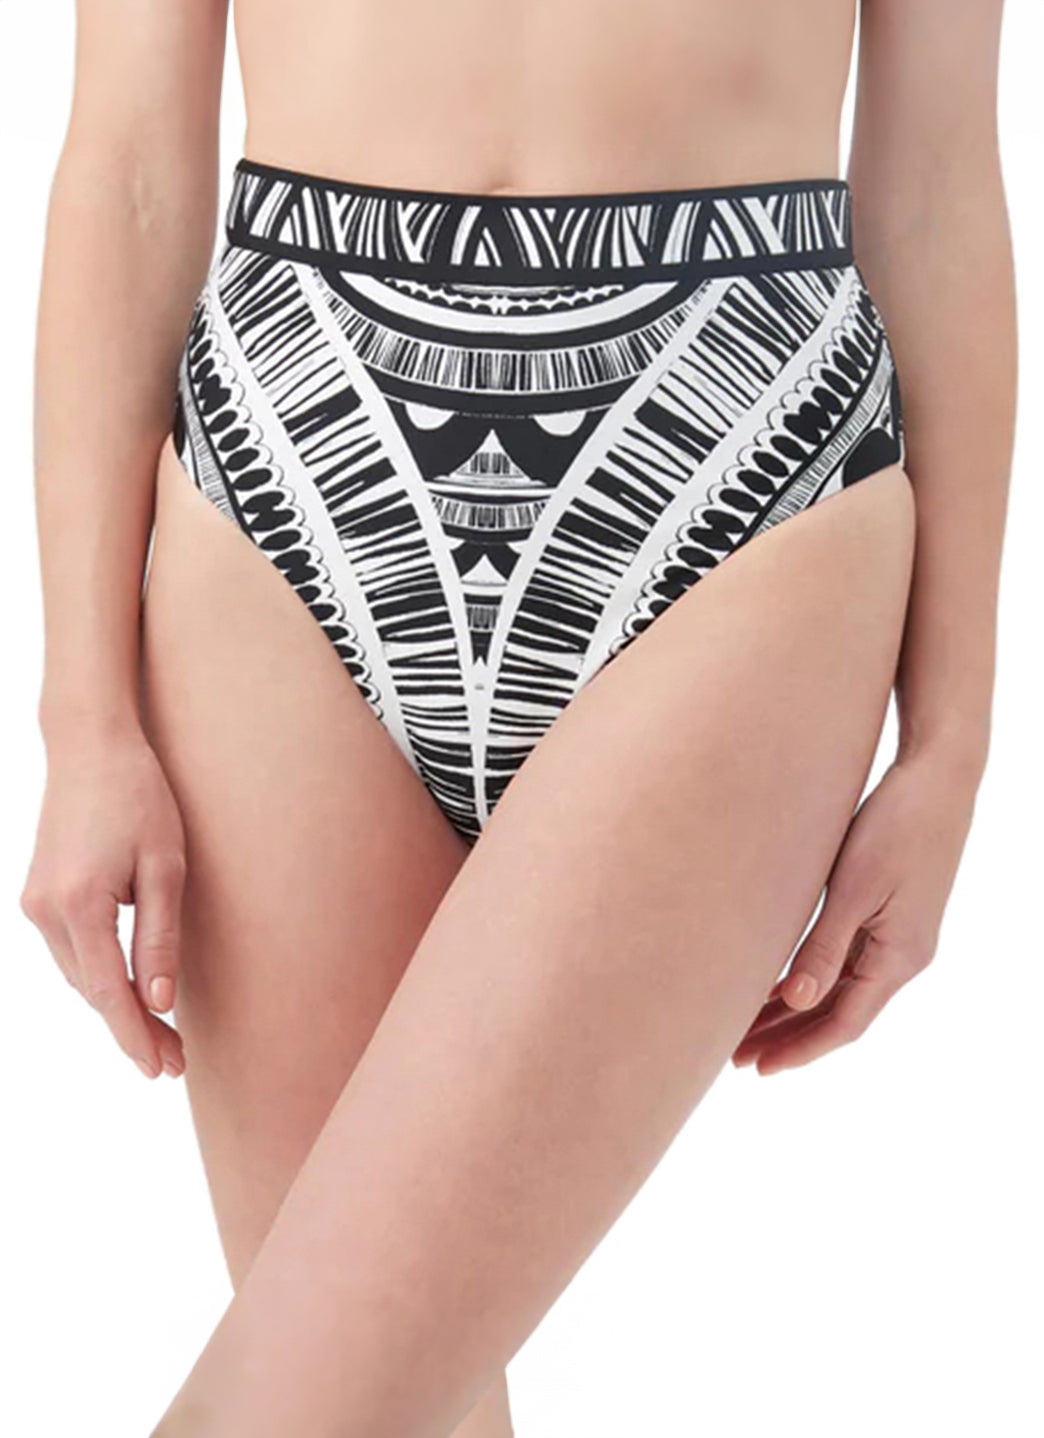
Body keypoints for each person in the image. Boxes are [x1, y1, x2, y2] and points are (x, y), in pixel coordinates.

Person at [21, 1, 1015, 1435]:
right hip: (292, 450)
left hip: (740, 446)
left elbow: (934, 180)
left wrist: (954, 740)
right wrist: (83, 718)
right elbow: (126, 164)